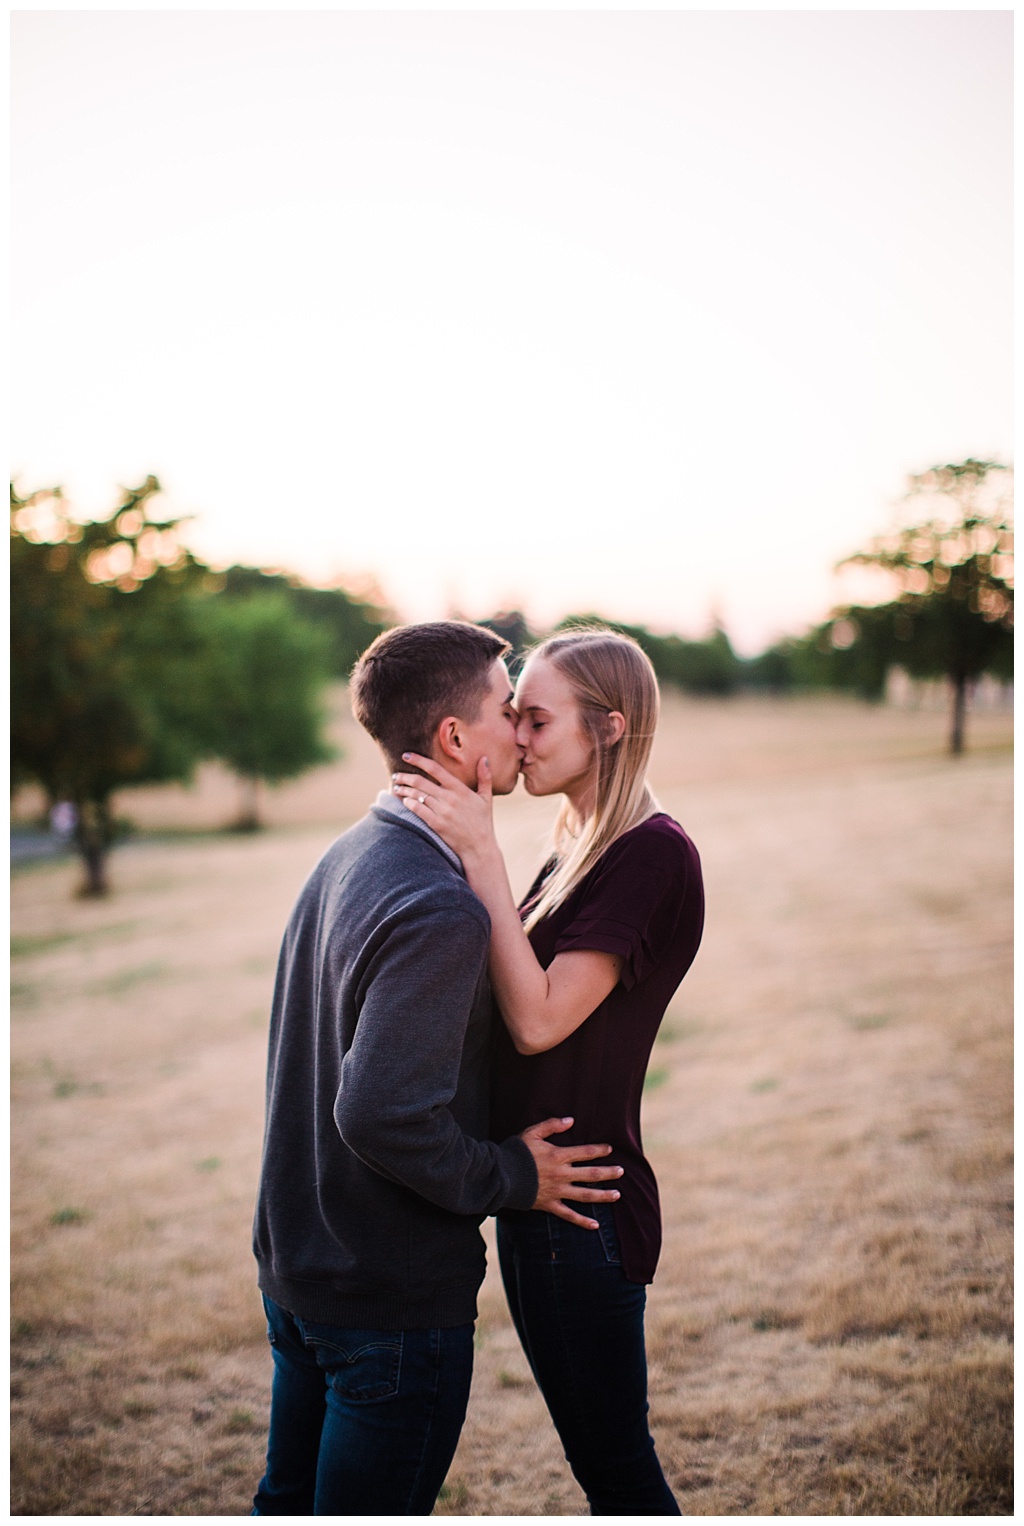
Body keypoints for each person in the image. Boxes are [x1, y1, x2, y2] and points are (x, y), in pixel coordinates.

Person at [251, 620, 623, 1516]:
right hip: (386, 1303)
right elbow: (379, 1112)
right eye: (508, 710)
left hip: (300, 1274)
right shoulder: (438, 906)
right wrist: (513, 1174)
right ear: (455, 739)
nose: (522, 731)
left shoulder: (349, 854)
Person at [393, 627, 705, 1515]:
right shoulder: (575, 842)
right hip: (537, 1198)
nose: (517, 738)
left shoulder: (652, 852)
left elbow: (536, 1021)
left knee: (616, 1471)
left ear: (608, 728)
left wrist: (481, 853)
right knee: (603, 1464)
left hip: (583, 1211)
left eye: (536, 720)